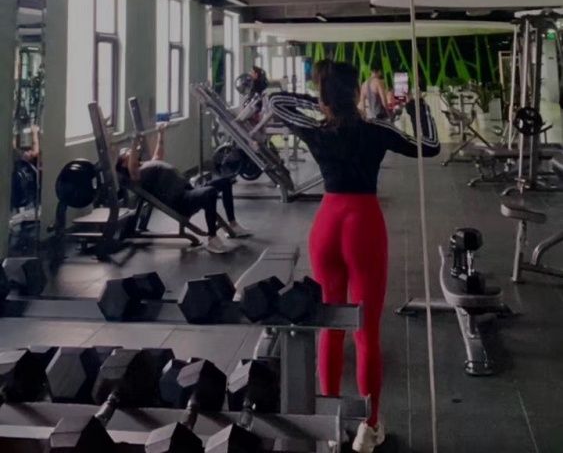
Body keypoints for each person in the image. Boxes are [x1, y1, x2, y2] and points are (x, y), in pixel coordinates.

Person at [269, 61, 440, 452]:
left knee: (330, 326)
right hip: (363, 227)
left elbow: (276, 101)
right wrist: (418, 108)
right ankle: (369, 426)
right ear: (357, 93)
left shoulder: (316, 129)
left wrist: (321, 103)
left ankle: (330, 425)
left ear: (325, 96)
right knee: (367, 333)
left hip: (327, 226)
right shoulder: (376, 130)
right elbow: (430, 146)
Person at [115, 125, 251, 254]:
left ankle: (233, 224)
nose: (130, 152)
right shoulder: (136, 175)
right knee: (209, 192)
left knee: (225, 182)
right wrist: (134, 143)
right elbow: (132, 168)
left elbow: (158, 155)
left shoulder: (146, 165)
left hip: (189, 191)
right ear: (124, 164)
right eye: (127, 153)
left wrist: (161, 133)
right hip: (181, 201)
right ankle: (212, 238)